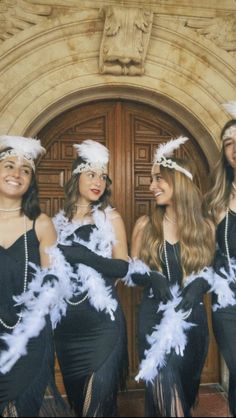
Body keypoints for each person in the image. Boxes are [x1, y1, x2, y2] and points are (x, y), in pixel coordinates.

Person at [125, 136, 215, 417]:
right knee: (165, 387)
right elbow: (131, 272)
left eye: (158, 180)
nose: (152, 187)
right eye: (152, 180)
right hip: (154, 321)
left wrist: (199, 284)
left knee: (183, 394)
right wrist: (152, 277)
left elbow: (214, 273)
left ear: (179, 181)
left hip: (193, 323)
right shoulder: (145, 225)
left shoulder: (206, 228)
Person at [53, 140, 129, 417]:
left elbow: (122, 267)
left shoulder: (110, 217)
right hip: (67, 328)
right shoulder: (55, 223)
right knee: (79, 405)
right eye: (92, 174)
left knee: (95, 408)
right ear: (76, 177)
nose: (99, 182)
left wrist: (83, 255)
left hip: (102, 326)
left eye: (103, 177)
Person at [0, 135, 59, 417]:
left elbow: (54, 281)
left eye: (25, 170)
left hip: (28, 337)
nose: (16, 174)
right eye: (9, 165)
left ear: (31, 181)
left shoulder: (41, 223)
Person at [204, 101, 236, 417]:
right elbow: (205, 253)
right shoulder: (216, 201)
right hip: (229, 303)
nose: (235, 148)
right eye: (229, 143)